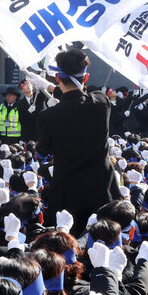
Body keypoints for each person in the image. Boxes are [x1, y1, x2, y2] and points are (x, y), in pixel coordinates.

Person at [37, 47, 121, 229]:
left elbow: (43, 150)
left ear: (58, 77)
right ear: (86, 77)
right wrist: (53, 88)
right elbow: (82, 98)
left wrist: (50, 89)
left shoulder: (48, 116)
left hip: (68, 196)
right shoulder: (101, 102)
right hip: (102, 192)